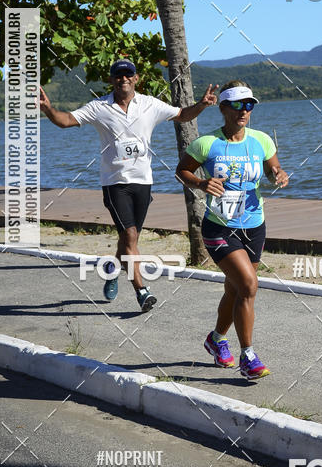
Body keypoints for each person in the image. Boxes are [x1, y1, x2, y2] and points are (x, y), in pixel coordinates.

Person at [39, 59, 217, 311]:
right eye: (118, 75)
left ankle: (112, 269)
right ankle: (142, 291)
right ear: (111, 80)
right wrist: (48, 109)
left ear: (136, 78)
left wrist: (202, 104)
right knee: (130, 235)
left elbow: (181, 115)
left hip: (143, 182)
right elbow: (66, 120)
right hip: (115, 183)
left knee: (128, 239)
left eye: (128, 75)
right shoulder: (99, 107)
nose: (123, 79)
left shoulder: (150, 104)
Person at [176, 80, 289, 380]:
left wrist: (277, 173)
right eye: (237, 105)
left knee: (236, 287)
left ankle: (216, 339)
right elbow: (182, 170)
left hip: (254, 225)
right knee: (249, 286)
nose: (244, 111)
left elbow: (271, 167)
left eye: (249, 105)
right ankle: (248, 356)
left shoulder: (261, 141)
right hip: (219, 227)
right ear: (223, 108)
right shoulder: (206, 144)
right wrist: (200, 183)